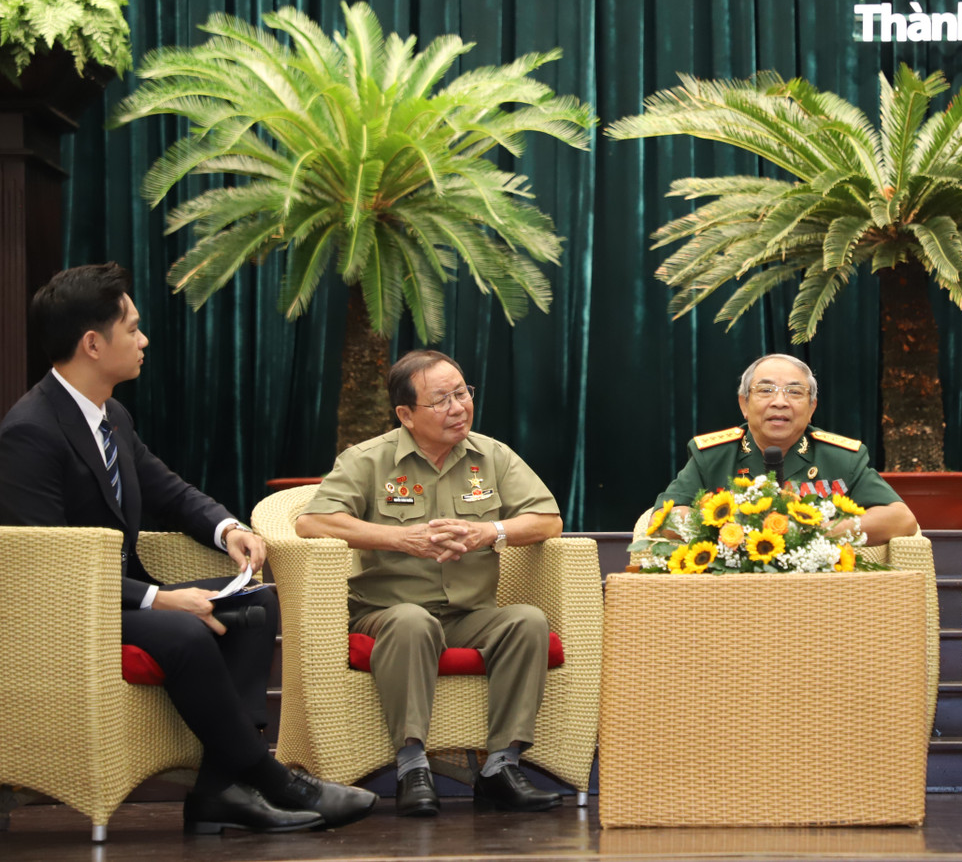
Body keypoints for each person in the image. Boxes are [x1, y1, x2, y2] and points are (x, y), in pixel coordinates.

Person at [0, 264, 377, 834]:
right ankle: (271, 778)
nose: (144, 339)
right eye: (133, 328)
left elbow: (170, 492)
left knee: (254, 607)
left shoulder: (112, 417)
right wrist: (158, 600)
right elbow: (48, 570)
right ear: (93, 343)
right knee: (182, 628)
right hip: (72, 616)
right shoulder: (30, 430)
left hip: (121, 602)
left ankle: (217, 790)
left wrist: (230, 531)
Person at [295, 350, 565, 816]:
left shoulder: (491, 456)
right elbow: (313, 522)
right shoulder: (369, 460)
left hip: (468, 615)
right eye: (442, 400)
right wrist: (400, 539)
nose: (458, 407)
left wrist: (490, 531)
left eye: (463, 393)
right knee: (412, 622)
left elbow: (547, 520)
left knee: (528, 622)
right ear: (405, 414)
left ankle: (501, 767)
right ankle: (411, 766)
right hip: (387, 612)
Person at [653, 353, 918, 545]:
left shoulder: (842, 458)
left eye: (794, 392)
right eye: (766, 390)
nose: (780, 402)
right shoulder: (712, 455)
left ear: (812, 408)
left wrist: (815, 533)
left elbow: (901, 519)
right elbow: (666, 516)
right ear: (744, 404)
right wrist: (735, 532)